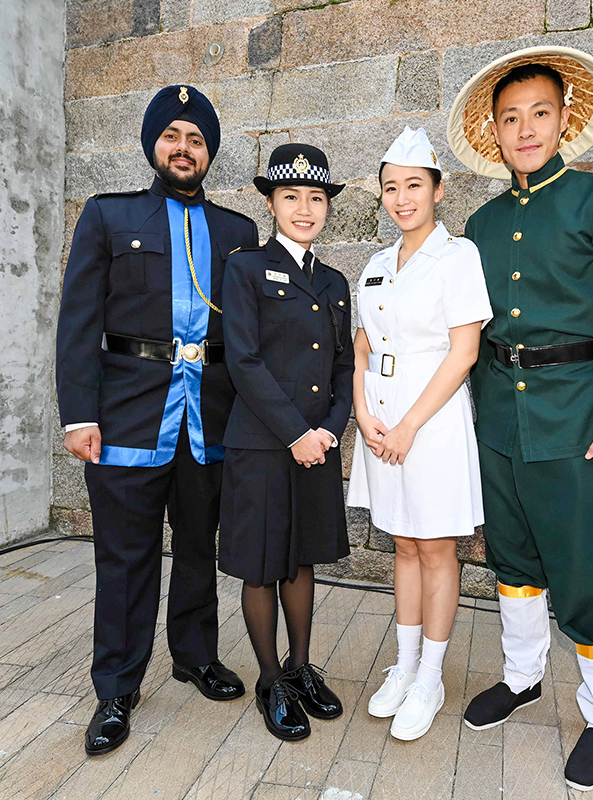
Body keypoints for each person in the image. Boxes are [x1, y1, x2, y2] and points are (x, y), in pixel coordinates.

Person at [446, 47, 593, 790]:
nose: (526, 129)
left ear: (565, 120)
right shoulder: (478, 222)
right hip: (498, 419)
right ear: (495, 132)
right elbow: (463, 327)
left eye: (539, 113)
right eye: (510, 118)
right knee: (512, 557)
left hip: (579, 414)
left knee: (588, 565)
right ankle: (522, 678)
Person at [56, 85, 258, 755]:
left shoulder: (238, 232)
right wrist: (78, 415)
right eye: (171, 135)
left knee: (200, 546)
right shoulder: (109, 218)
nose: (183, 148)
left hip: (210, 421)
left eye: (195, 139)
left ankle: (194, 656)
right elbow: (79, 323)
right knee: (124, 558)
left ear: (209, 153)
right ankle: (116, 686)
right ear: (153, 146)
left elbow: (251, 337)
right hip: (125, 419)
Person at [347, 127, 492, 741]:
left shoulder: (457, 257)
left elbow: (463, 353)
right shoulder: (377, 265)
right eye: (390, 188)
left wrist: (407, 425)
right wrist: (362, 413)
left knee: (436, 549)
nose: (401, 198)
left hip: (430, 424)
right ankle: (404, 666)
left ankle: (431, 676)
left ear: (437, 189)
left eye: (413, 185)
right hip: (381, 422)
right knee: (403, 545)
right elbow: (360, 350)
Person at [219, 144, 355, 742]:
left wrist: (330, 427)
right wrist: (297, 432)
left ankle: (301, 668)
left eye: (316, 198)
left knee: (301, 556)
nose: (305, 208)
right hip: (262, 442)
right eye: (292, 197)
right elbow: (243, 362)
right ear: (270, 202)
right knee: (262, 562)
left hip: (317, 444)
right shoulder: (245, 268)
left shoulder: (333, 280)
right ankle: (270, 679)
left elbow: (346, 365)